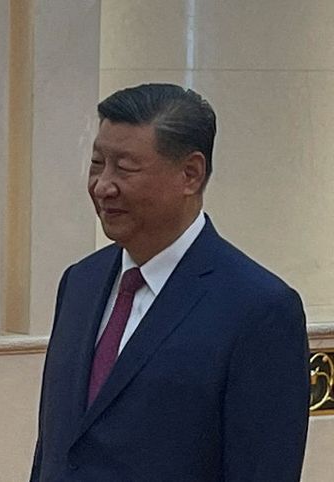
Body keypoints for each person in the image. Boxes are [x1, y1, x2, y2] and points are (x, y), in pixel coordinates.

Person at [30, 83, 309, 481]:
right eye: (96, 163)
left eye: (124, 168)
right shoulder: (80, 283)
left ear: (190, 174)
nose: (102, 185)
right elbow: (55, 448)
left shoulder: (258, 309)